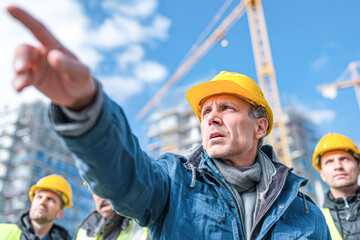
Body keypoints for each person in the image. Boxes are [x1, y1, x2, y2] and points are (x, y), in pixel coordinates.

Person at [7, 6, 330, 239]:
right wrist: (85, 108)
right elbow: (124, 174)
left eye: (227, 108)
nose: (211, 117)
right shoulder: (174, 182)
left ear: (260, 127)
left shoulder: (302, 210)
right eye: (205, 112)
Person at [313, 132, 360, 240]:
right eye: (329, 162)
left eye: (344, 159)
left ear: (359, 167)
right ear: (322, 175)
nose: (338, 166)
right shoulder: (315, 222)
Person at [0, 174, 72, 240]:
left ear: (60, 212)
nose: (42, 202)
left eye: (50, 199)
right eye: (39, 197)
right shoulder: (2, 232)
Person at [76, 184, 150, 240]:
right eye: (95, 190)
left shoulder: (145, 222)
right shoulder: (86, 227)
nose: (101, 197)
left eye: (105, 188)